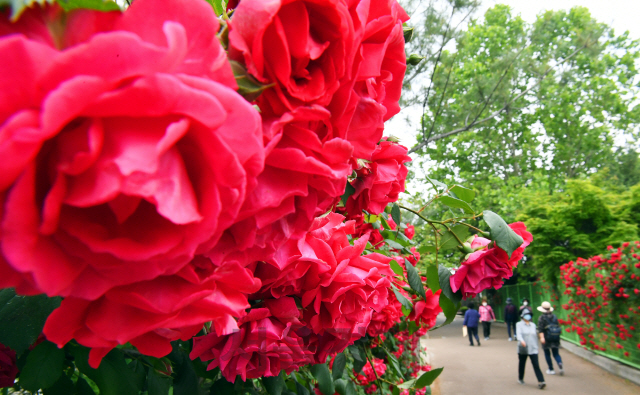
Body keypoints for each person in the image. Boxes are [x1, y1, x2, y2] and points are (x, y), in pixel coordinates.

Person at [516, 310, 546, 389]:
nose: (528, 316)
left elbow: (535, 336)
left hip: (533, 348)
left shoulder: (533, 325)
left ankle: (541, 381)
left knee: (536, 364)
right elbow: (518, 334)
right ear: (522, 316)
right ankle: (520, 378)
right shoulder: (519, 324)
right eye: (526, 315)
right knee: (522, 364)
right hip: (523, 348)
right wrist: (521, 340)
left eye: (529, 315)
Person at [537, 301, 564, 376]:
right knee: (556, 353)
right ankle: (560, 363)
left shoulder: (541, 318)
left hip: (546, 337)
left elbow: (541, 329)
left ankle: (551, 369)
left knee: (547, 353)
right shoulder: (555, 316)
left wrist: (542, 338)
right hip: (555, 337)